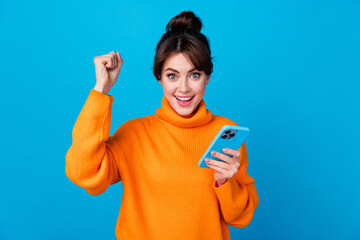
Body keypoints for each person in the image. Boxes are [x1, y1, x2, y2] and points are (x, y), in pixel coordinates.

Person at [65, 11, 259, 240]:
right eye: (172, 76)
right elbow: (83, 173)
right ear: (159, 77)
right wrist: (101, 89)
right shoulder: (134, 134)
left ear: (207, 77)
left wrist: (224, 181)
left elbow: (241, 217)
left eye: (194, 75)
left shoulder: (225, 133)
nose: (184, 88)